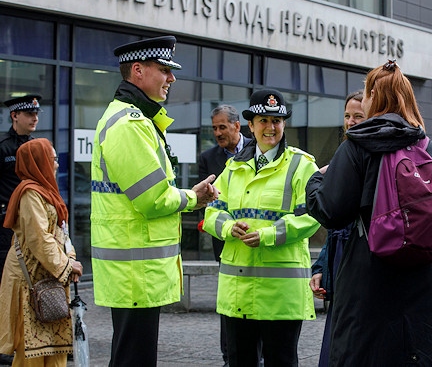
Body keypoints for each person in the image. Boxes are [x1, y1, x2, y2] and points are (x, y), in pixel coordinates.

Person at [305, 60, 432, 366]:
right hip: (426, 280)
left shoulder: (359, 145)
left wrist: (315, 180)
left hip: (369, 279)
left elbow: (331, 210)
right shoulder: (430, 148)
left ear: (373, 97)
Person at [90, 35, 218, 367]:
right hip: (136, 273)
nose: (171, 79)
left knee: (131, 355)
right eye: (164, 70)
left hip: (136, 271)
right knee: (134, 358)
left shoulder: (135, 119)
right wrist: (195, 197)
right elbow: (153, 199)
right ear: (138, 71)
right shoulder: (130, 124)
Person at [201, 88, 320, 367]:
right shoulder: (233, 167)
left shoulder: (302, 165)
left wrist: (268, 235)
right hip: (238, 291)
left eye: (276, 121)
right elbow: (212, 212)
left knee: (281, 361)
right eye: (263, 121)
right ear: (251, 126)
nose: (270, 127)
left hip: (280, 296)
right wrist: (229, 227)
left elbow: (313, 217)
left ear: (284, 125)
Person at [0, 138, 83, 366]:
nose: (56, 164)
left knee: (55, 346)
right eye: (52, 159)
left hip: (47, 277)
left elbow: (61, 231)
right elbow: (40, 238)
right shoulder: (29, 194)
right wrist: (66, 266)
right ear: (39, 162)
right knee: (32, 352)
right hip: (30, 281)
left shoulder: (46, 192)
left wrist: (71, 259)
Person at [308, 89, 365, 367]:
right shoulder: (344, 153)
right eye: (347, 116)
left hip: (360, 264)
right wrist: (320, 268)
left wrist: (316, 179)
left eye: (358, 115)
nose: (351, 122)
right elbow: (334, 223)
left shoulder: (369, 157)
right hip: (340, 260)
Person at [197, 104, 250, 367]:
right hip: (226, 242)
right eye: (214, 128)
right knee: (229, 302)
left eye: (222, 127)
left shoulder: (258, 148)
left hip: (255, 238)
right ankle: (229, 356)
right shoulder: (208, 158)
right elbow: (204, 203)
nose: (218, 133)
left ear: (237, 126)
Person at [0, 94, 41, 366]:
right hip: (5, 224)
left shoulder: (37, 146)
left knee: (30, 284)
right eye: (29, 114)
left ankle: (26, 341)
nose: (34, 118)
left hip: (30, 223)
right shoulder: (2, 148)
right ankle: (4, 345)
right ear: (15, 116)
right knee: (5, 286)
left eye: (36, 114)